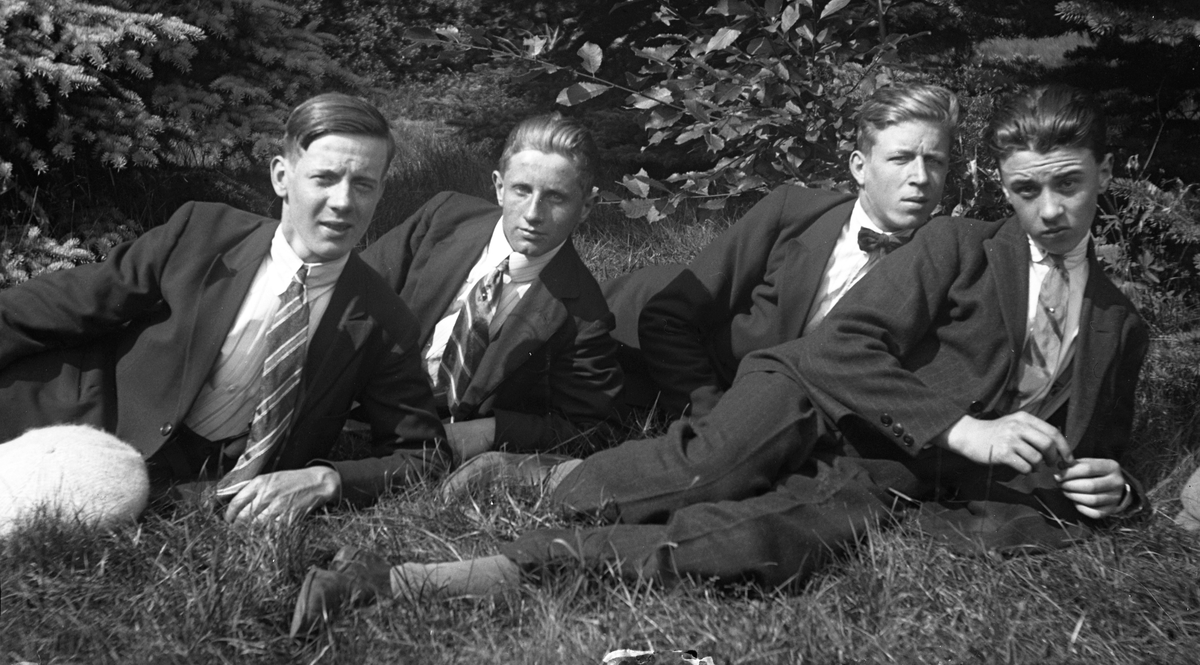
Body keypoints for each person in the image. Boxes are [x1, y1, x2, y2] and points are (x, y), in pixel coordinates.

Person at [289, 84, 1149, 633]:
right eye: (1027, 188)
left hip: (886, 460)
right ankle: (541, 479)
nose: (1049, 209)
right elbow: (841, 344)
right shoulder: (959, 244)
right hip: (802, 386)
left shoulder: (1122, 322)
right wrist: (965, 429)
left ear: (1103, 176)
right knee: (700, 471)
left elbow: (1098, 447)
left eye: (1068, 184)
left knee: (755, 542)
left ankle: (433, 576)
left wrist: (1115, 488)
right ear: (1003, 188)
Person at [0, 93, 449, 526]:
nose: (343, 202)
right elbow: (66, 303)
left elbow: (423, 455)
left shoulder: (383, 319)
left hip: (193, 489)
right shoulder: (203, 234)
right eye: (324, 178)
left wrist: (325, 480)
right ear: (281, 176)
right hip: (80, 417)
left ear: (380, 191)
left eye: (363, 184)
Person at [605, 84, 958, 419]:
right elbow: (668, 316)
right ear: (859, 168)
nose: (920, 177)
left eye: (935, 161)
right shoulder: (792, 212)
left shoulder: (948, 262)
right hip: (635, 346)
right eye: (900, 158)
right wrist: (713, 421)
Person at [359, 115, 621, 463]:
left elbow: (592, 430)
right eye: (522, 190)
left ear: (585, 207)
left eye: (555, 198)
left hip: (432, 442)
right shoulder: (443, 217)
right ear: (499, 187)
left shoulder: (584, 315)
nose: (533, 214)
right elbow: (355, 290)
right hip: (360, 396)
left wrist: (492, 430)